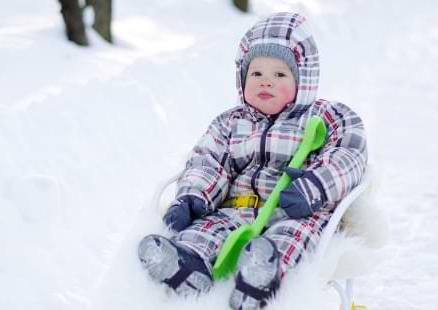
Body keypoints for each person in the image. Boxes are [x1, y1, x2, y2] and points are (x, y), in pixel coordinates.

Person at [137, 12, 367, 309]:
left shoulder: (327, 117)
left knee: (290, 238)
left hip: (295, 211)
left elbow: (350, 154)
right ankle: (186, 267)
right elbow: (208, 161)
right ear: (242, 78)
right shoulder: (229, 123)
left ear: (304, 80)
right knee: (207, 230)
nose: (266, 82)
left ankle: (261, 280)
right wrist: (192, 196)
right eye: (256, 74)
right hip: (237, 209)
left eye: (280, 75)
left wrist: (314, 187)